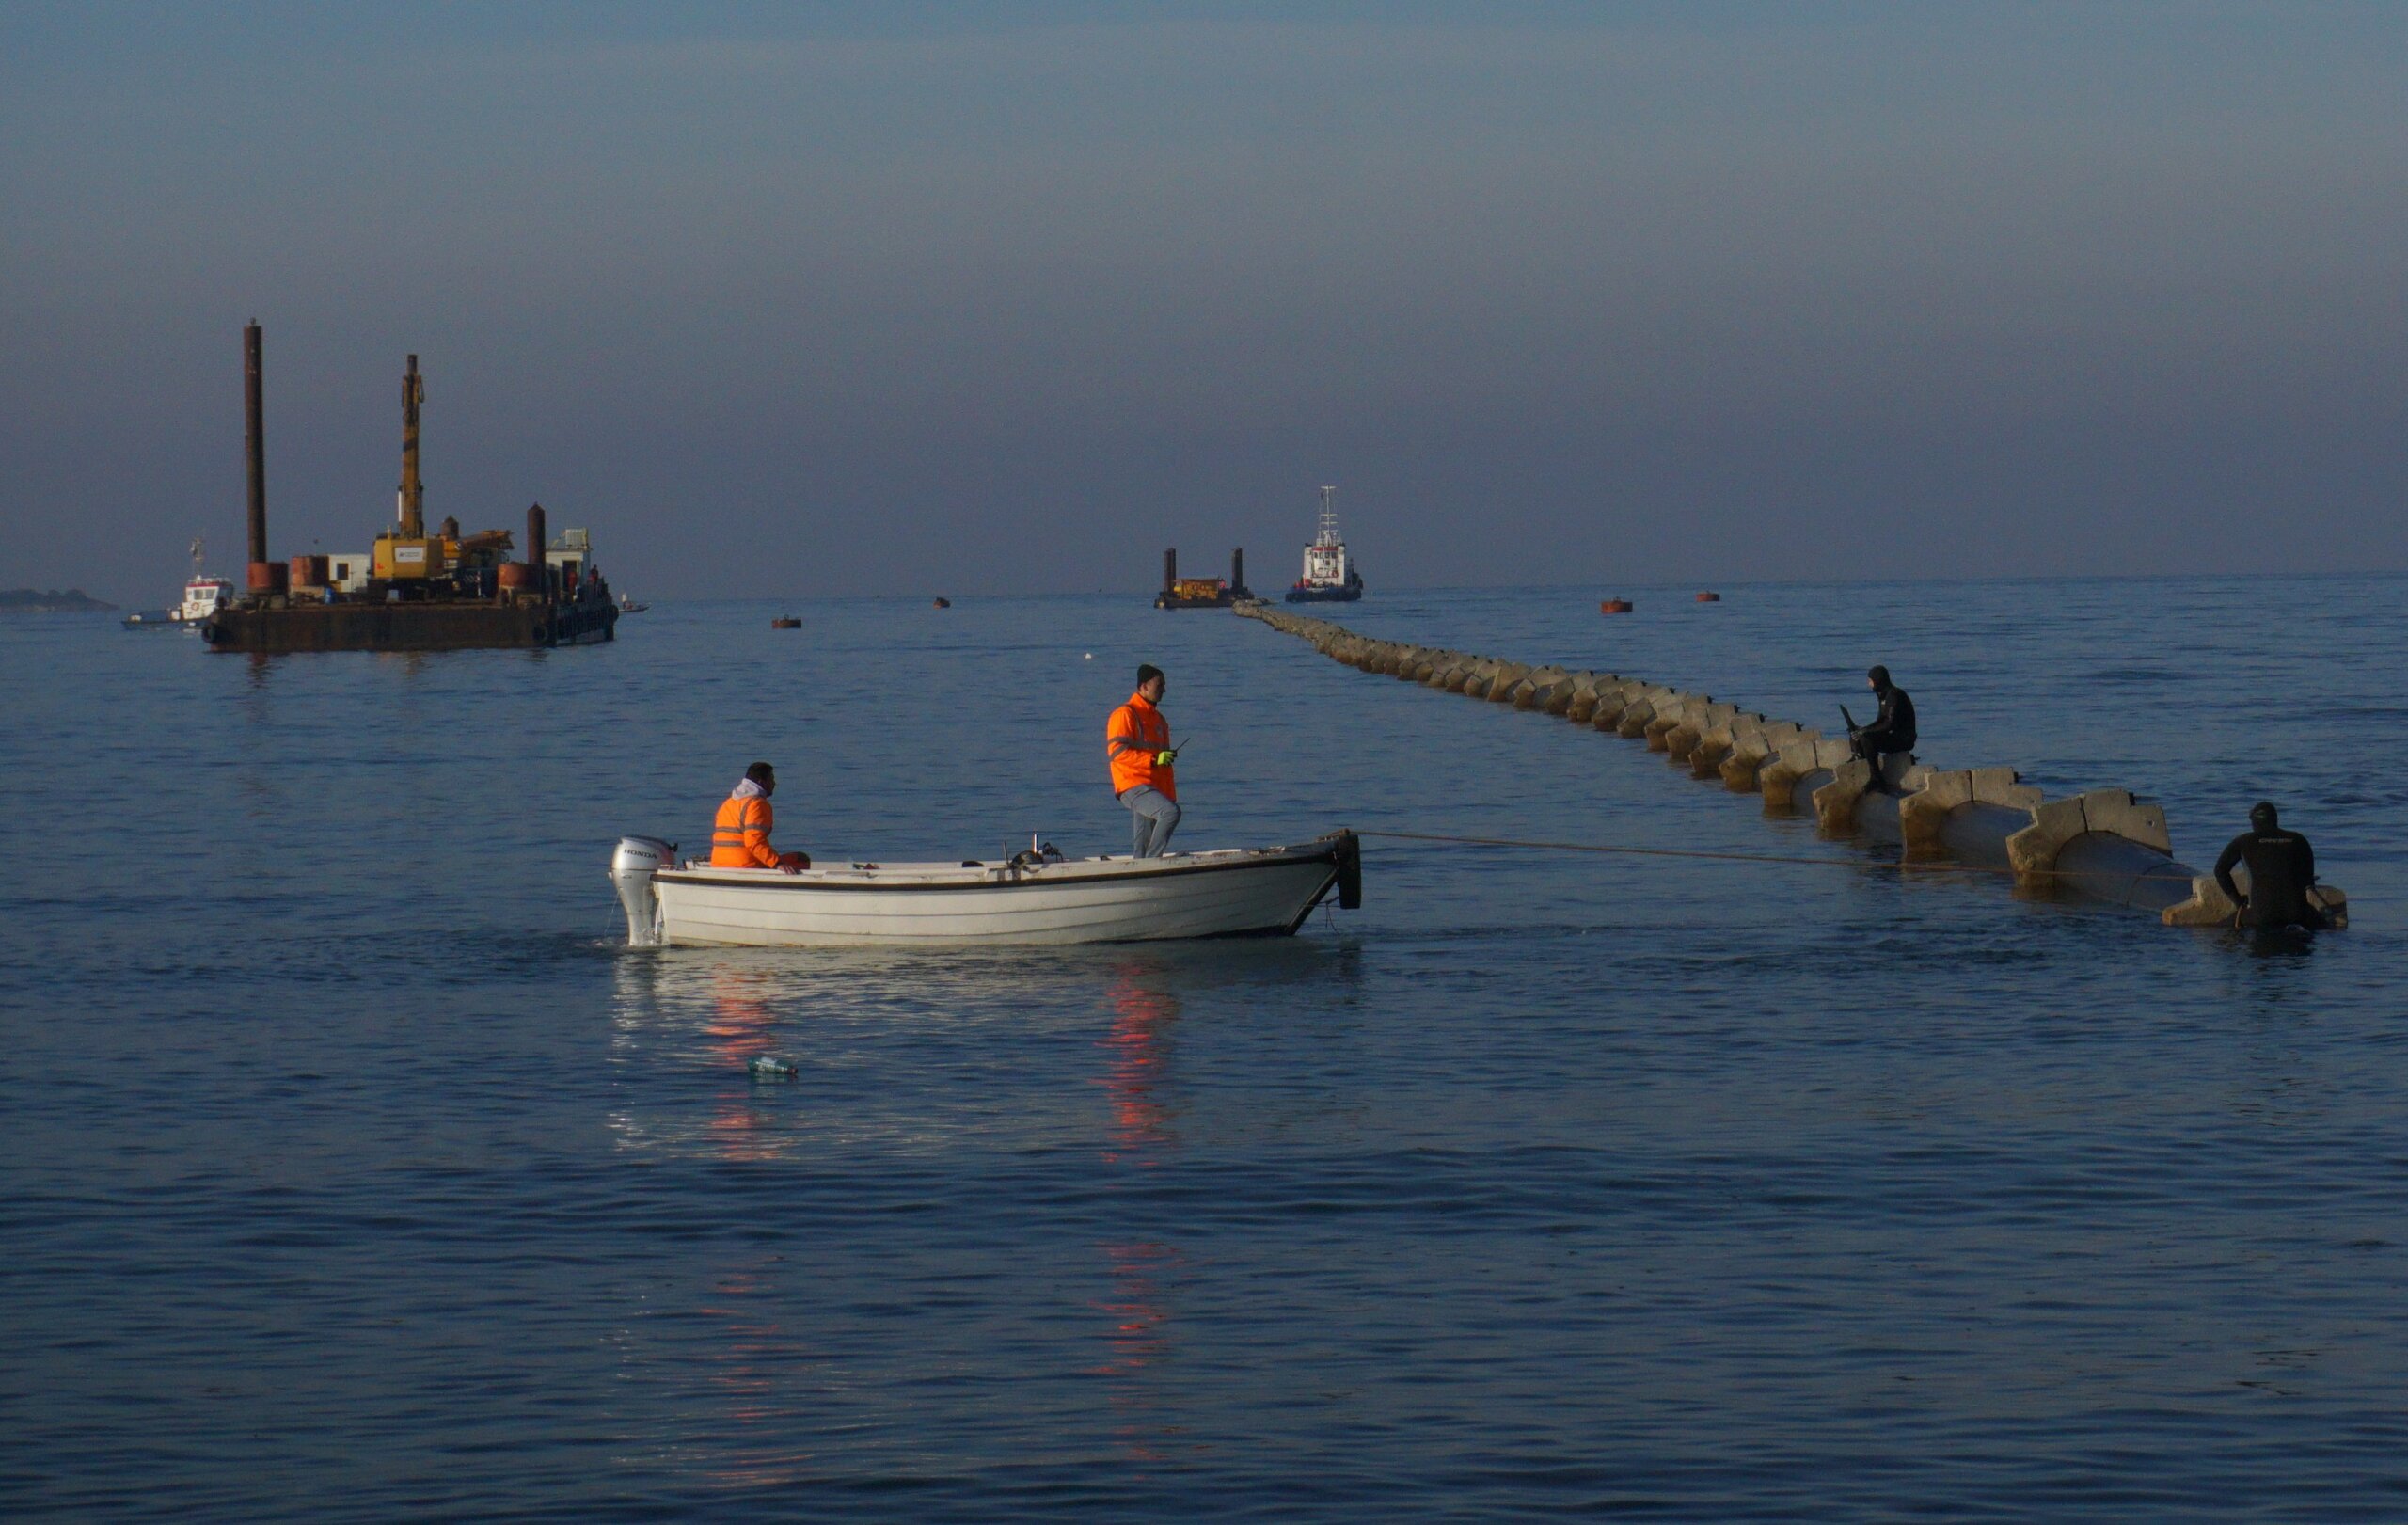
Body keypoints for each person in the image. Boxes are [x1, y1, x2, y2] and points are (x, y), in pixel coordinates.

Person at [2213, 802, 2325, 929]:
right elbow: (2308, 881)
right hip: (2297, 914)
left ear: (2254, 822)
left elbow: (2220, 871)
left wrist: (2238, 902)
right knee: (2326, 925)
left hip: (2261, 915)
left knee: (2217, 930)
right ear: (2275, 819)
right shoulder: (2299, 840)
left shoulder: (2243, 841)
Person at [1107, 664, 1180, 857]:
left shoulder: (1159, 720)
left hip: (1152, 788)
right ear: (1144, 687)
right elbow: (1118, 754)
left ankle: (1141, 871)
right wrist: (1155, 759)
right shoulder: (1124, 714)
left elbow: (1159, 762)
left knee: (1142, 846)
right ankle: (1152, 864)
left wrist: (1163, 762)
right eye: (1159, 684)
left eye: (1164, 684)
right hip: (1132, 784)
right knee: (1170, 813)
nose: (1164, 689)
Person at [710, 761, 809, 872]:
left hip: (718, 863)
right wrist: (777, 863)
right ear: (761, 782)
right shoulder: (757, 804)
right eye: (771, 779)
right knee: (801, 859)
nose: (774, 783)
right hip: (746, 866)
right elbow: (754, 841)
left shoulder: (728, 803)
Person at [1849, 665, 1918, 792]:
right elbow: (1880, 722)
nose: (1868, 684)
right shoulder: (1883, 696)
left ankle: (1876, 778)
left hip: (1903, 739)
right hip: (1892, 735)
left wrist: (1865, 732)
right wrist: (1861, 729)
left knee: (1866, 738)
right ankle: (1858, 760)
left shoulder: (1894, 695)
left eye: (1870, 681)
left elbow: (1888, 724)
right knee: (1856, 733)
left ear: (1878, 681)